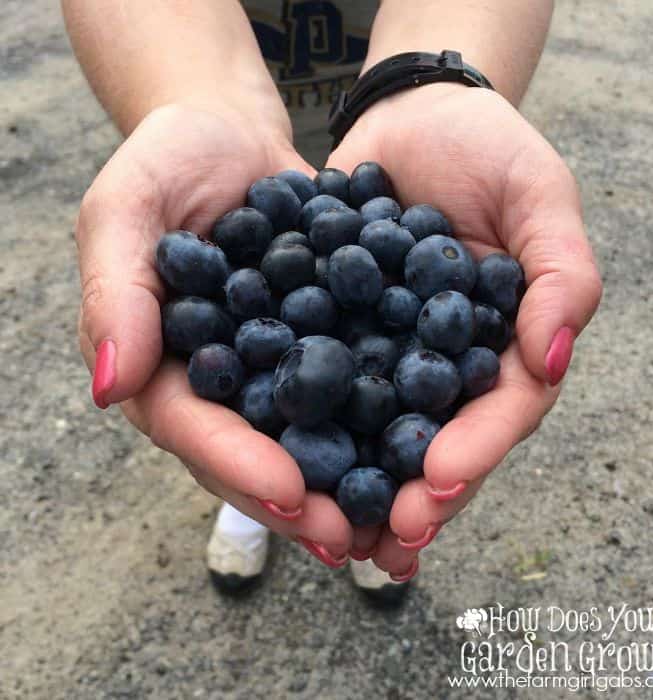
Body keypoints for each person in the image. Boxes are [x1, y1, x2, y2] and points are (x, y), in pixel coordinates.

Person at [61, 0, 602, 603]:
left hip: (400, 112)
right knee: (251, 444)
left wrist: (430, 84)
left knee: (358, 471)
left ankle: (360, 504)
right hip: (223, 111)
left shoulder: (392, 282)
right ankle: (262, 491)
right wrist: (195, 98)